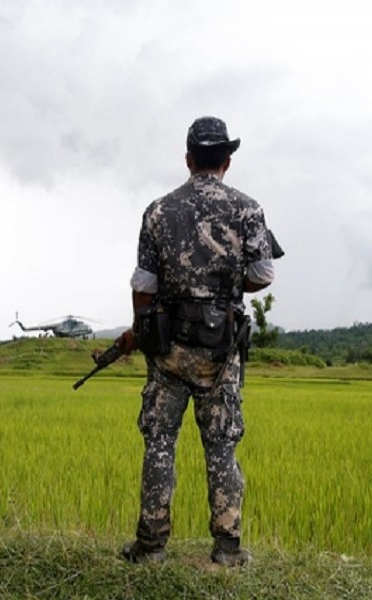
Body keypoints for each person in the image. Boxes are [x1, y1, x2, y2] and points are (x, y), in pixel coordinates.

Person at [115, 116, 276, 567]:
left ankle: (150, 547)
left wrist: (142, 329)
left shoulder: (158, 210)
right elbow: (263, 275)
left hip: (168, 348)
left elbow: (144, 285)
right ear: (227, 161)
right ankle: (227, 549)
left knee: (160, 441)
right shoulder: (247, 208)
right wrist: (225, 288)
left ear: (188, 160)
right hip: (220, 349)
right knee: (221, 445)